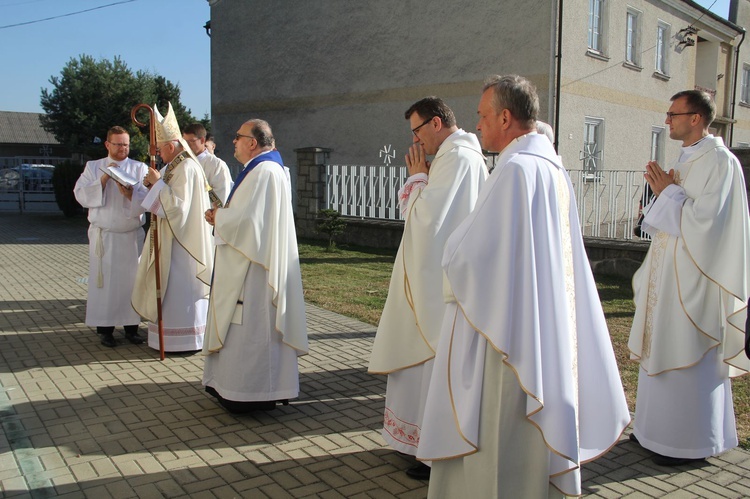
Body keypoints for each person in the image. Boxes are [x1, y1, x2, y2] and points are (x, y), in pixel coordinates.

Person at [416, 75, 630, 497]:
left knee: (498, 434)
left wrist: (448, 255)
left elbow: (473, 254)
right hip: (543, 324)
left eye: (482, 115)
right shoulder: (551, 166)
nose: (477, 125)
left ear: (506, 117)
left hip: (508, 332)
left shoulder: (515, 168)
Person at [628, 89, 750, 466]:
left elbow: (708, 224)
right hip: (668, 275)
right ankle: (653, 433)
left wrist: (669, 193)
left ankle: (688, 442)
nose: (668, 120)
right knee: (660, 345)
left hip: (698, 278)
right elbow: (675, 213)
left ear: (695, 118)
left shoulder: (720, 162)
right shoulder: (687, 158)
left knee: (687, 349)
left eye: (673, 113)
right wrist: (662, 195)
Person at [368, 97, 487, 479]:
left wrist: (418, 177)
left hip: (438, 284)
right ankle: (419, 444)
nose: (416, 140)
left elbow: (427, 222)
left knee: (431, 364)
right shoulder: (458, 156)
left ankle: (431, 450)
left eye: (417, 130)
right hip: (432, 275)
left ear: (436, 123)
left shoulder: (456, 158)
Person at [202, 119, 308, 412]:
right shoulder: (263, 170)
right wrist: (224, 216)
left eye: (238, 137)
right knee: (245, 328)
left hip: (255, 270)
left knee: (252, 327)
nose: (233, 141)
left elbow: (248, 223)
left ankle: (251, 391)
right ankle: (239, 386)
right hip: (253, 261)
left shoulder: (264, 171)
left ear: (253, 142)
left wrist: (217, 218)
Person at [132, 103, 214, 353]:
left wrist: (157, 186)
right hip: (169, 240)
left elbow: (179, 209)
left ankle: (186, 340)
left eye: (159, 149)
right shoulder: (173, 166)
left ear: (170, 146)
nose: (157, 153)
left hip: (183, 245)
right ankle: (166, 338)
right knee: (169, 293)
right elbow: (164, 201)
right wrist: (153, 186)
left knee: (180, 291)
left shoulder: (187, 167)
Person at [73, 126, 148, 348]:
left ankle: (131, 328)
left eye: (126, 144)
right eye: (118, 144)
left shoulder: (138, 167)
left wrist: (131, 194)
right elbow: (80, 194)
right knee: (104, 284)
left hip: (130, 237)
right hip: (104, 237)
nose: (123, 148)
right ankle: (105, 329)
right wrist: (103, 181)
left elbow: (148, 197)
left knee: (130, 284)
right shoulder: (94, 167)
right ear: (107, 144)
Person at [183, 123, 233, 205]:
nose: (187, 145)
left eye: (191, 141)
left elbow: (222, 196)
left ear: (202, 140)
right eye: (184, 142)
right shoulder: (183, 162)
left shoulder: (217, 164)